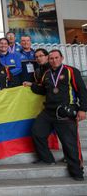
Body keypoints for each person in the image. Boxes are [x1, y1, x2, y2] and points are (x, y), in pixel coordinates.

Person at [25, 49, 86, 181]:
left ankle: (77, 171)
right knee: (37, 132)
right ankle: (47, 159)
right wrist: (31, 85)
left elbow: (82, 91)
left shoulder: (71, 71)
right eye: (51, 58)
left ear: (62, 58)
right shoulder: (46, 73)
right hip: (48, 111)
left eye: (56, 58)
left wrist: (83, 109)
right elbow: (43, 90)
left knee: (70, 143)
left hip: (64, 112)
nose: (54, 60)